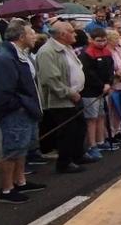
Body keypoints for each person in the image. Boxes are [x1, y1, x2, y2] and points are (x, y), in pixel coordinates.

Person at [0, 19, 47, 203]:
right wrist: (21, 106)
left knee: (22, 148)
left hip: (26, 110)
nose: (35, 36)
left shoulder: (21, 54)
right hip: (16, 113)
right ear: (21, 36)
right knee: (13, 149)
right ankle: (6, 189)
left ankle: (20, 181)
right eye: (31, 33)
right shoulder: (4, 58)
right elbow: (1, 91)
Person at [36, 21, 89, 174]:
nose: (75, 34)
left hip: (76, 95)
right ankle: (65, 163)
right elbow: (50, 79)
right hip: (62, 99)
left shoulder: (67, 48)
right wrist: (69, 93)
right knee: (67, 132)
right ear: (62, 35)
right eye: (72, 31)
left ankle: (78, 155)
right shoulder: (47, 52)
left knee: (79, 128)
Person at [79, 27, 116, 161]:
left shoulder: (106, 52)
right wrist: (102, 85)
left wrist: (109, 82)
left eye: (104, 40)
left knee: (101, 116)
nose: (102, 43)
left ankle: (101, 141)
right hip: (90, 91)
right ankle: (92, 145)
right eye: (99, 41)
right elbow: (89, 73)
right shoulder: (87, 53)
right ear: (92, 40)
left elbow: (110, 69)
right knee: (91, 119)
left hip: (103, 90)